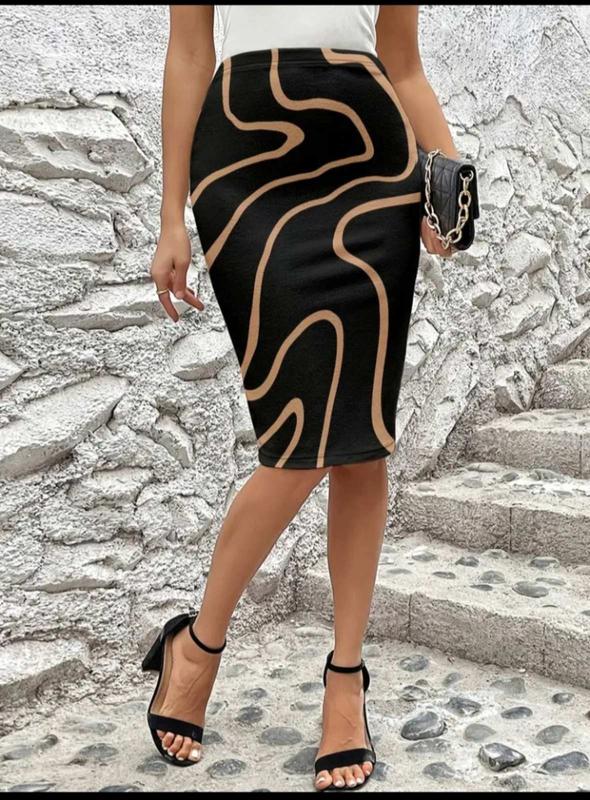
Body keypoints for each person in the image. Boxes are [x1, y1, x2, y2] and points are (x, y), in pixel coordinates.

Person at [146, 4, 458, 792]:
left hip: (372, 167)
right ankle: (198, 643)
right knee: (296, 445)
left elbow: (404, 65)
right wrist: (170, 216)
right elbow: (190, 54)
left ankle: (345, 679)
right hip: (245, 163)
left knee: (361, 437)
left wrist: (451, 178)